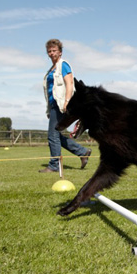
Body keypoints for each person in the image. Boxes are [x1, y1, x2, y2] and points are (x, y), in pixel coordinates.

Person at [40, 39, 91, 173]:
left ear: (60, 52)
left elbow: (69, 83)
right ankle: (82, 152)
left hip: (62, 104)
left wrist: (67, 100)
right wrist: (49, 109)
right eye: (49, 51)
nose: (51, 53)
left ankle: (54, 165)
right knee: (55, 135)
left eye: (54, 50)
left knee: (52, 135)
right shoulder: (51, 69)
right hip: (54, 105)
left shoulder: (63, 65)